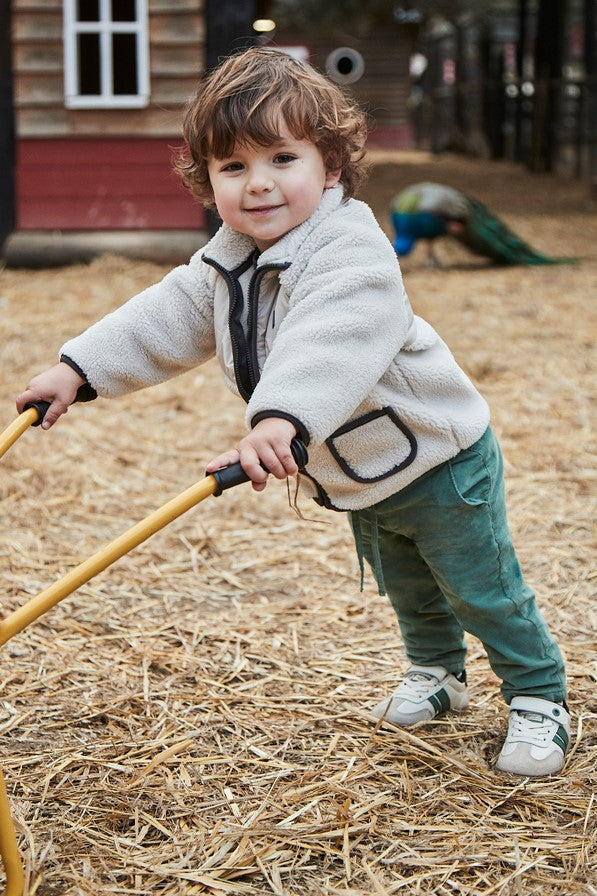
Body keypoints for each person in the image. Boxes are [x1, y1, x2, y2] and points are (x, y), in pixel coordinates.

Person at [16, 47, 569, 777]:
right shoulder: (228, 256)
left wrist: (277, 419)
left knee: (481, 589)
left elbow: (329, 341)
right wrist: (78, 368)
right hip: (360, 470)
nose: (259, 185)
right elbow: (169, 314)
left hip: (438, 463)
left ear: (330, 167)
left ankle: (539, 696)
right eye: (233, 168)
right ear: (206, 180)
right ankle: (438, 674)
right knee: (405, 583)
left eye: (282, 158)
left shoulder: (352, 253)